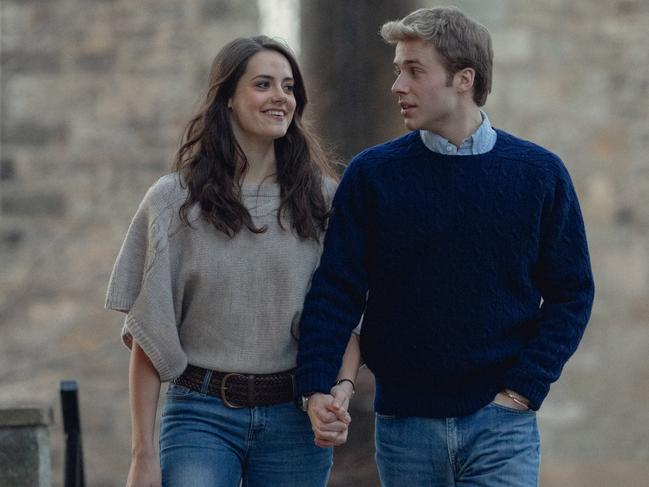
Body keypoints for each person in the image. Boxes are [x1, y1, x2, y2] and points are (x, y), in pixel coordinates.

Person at [295, 7, 595, 486]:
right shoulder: (373, 176)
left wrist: (524, 389)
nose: (397, 86)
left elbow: (572, 293)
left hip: (501, 426)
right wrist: (317, 385)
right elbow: (335, 290)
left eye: (415, 71)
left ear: (464, 79)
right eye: (397, 71)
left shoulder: (539, 174)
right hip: (405, 429)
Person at [105, 35, 359, 487]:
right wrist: (143, 455)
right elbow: (150, 331)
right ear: (226, 99)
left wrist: (340, 389)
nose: (280, 96)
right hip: (199, 415)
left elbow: (349, 315)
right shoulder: (173, 201)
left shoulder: (324, 201)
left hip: (294, 419)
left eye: (288, 86)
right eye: (263, 84)